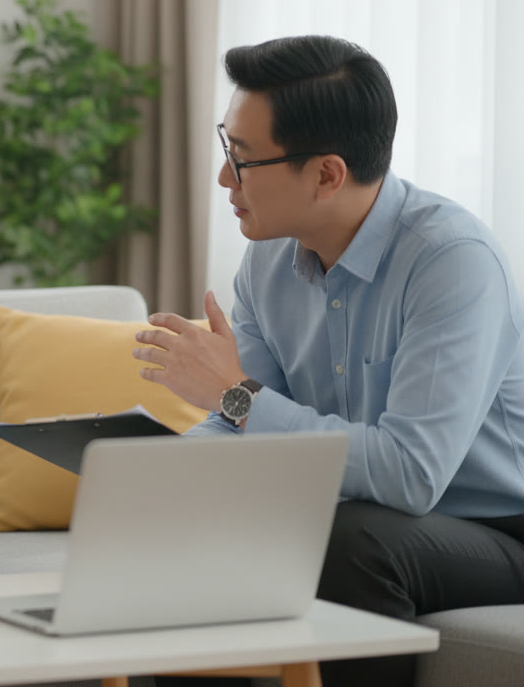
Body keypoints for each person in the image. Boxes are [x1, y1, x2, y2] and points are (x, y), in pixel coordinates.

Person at [133, 35, 524, 687]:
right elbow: (242, 418)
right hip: (355, 509)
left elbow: (410, 474)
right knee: (191, 518)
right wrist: (165, 471)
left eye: (242, 158)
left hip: (493, 526)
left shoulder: (452, 263)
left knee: (349, 541)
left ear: (326, 175)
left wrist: (234, 396)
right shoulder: (267, 257)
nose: (224, 178)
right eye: (226, 148)